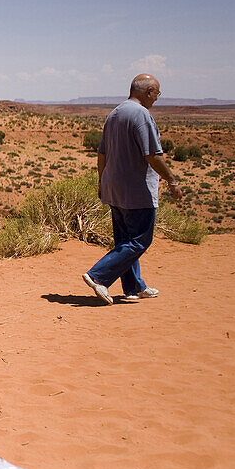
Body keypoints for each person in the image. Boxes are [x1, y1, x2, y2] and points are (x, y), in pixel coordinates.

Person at [82, 74, 183, 305]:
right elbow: (152, 155)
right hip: (136, 190)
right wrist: (171, 180)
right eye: (157, 93)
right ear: (148, 92)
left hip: (114, 187)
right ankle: (98, 275)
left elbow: (102, 154)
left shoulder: (115, 114)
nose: (157, 98)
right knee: (139, 240)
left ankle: (134, 286)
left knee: (125, 240)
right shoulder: (141, 115)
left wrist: (102, 181)